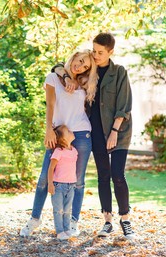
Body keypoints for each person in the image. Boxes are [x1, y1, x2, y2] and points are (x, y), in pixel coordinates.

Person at [53, 33, 136, 240]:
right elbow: (57, 66)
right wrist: (64, 76)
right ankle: (107, 220)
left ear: (110, 52)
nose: (96, 55)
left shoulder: (119, 73)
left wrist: (115, 132)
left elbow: (124, 105)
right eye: (94, 50)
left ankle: (125, 219)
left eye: (101, 52)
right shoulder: (88, 71)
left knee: (117, 175)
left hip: (119, 131)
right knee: (103, 176)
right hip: (96, 132)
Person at [20, 50, 98, 237]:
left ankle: (73, 222)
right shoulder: (53, 78)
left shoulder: (84, 83)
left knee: (77, 182)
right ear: (74, 55)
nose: (80, 67)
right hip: (58, 133)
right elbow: (50, 105)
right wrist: (48, 129)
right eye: (79, 61)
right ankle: (35, 218)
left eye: (85, 66)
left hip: (80, 135)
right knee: (44, 179)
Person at [48, 125, 78, 240]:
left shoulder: (74, 151)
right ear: (63, 139)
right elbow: (51, 168)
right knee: (58, 210)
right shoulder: (58, 151)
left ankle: (67, 229)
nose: (71, 131)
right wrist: (50, 184)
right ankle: (60, 231)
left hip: (71, 185)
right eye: (68, 131)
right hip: (58, 186)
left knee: (67, 210)